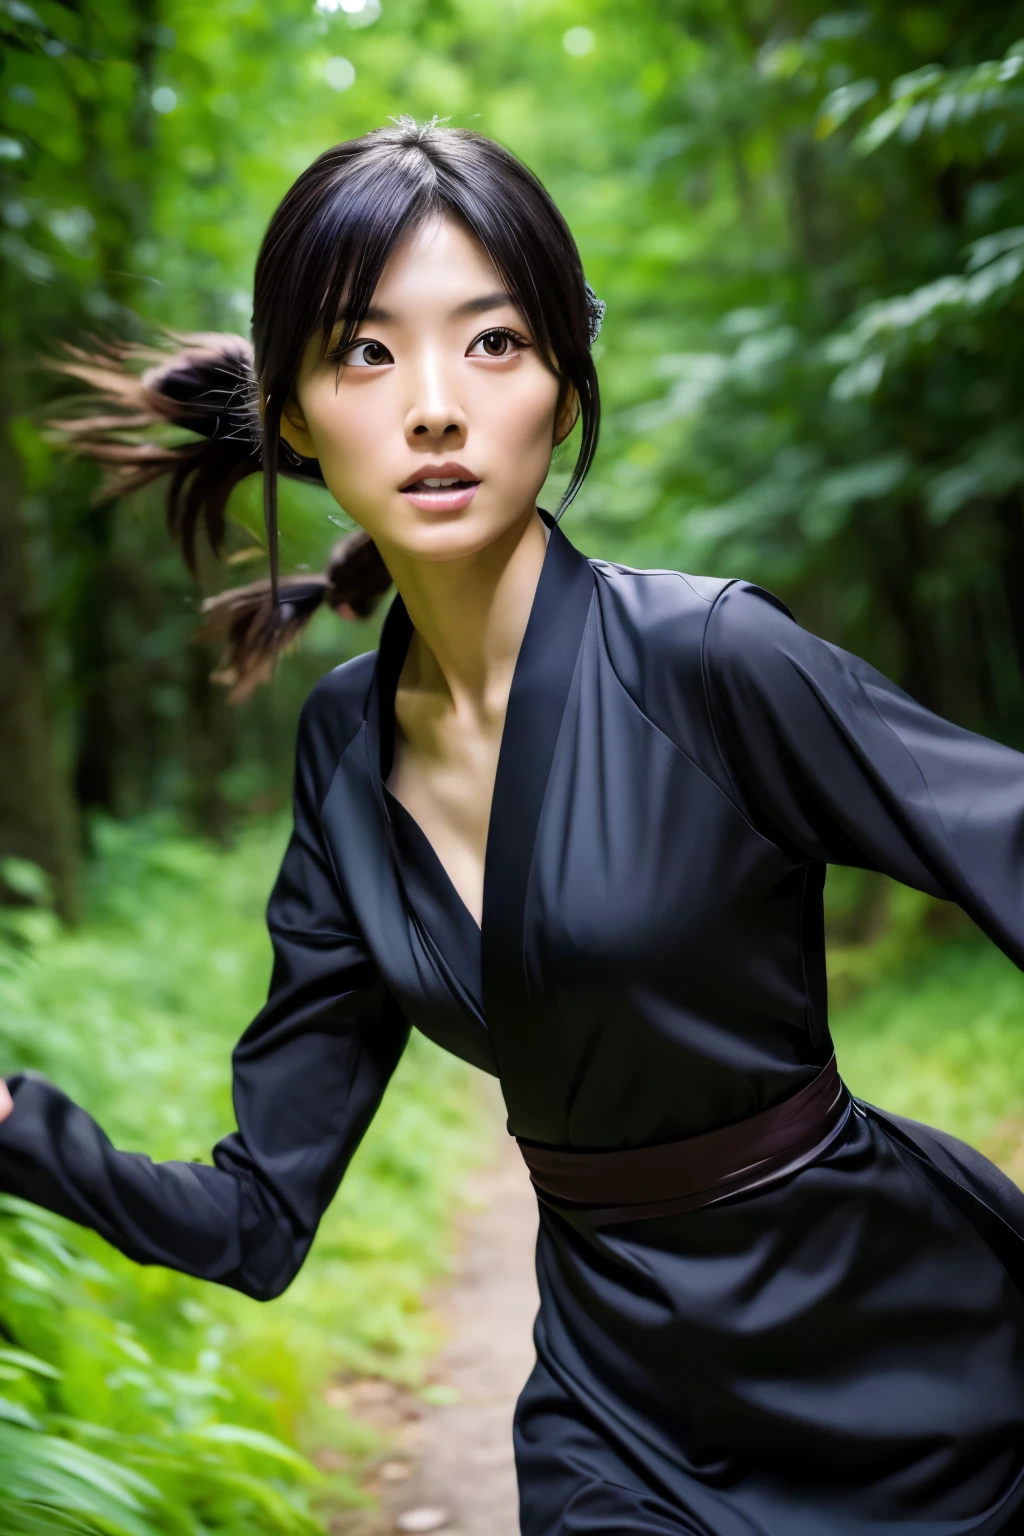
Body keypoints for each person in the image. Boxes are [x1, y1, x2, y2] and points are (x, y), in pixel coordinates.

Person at [2, 117, 1024, 1535]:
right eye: (366, 350)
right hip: (617, 1414)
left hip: (908, 1365)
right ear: (292, 410)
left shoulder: (709, 660)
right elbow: (254, 1218)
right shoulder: (344, 753)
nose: (434, 405)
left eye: (493, 343)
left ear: (562, 383)